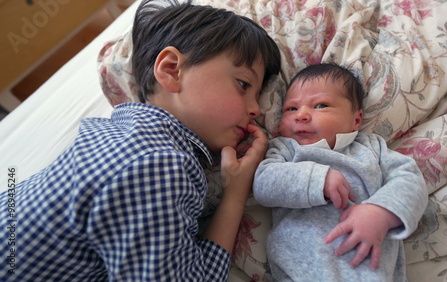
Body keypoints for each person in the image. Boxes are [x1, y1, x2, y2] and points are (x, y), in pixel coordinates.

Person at [0, 0, 281, 280]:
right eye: (243, 84)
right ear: (171, 70)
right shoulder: (159, 164)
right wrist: (235, 194)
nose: (255, 109)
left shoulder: (111, 133)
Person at [253, 63, 427, 281]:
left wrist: (381, 212)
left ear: (356, 120)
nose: (302, 115)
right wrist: (316, 178)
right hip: (301, 269)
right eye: (291, 109)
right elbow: (263, 185)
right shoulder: (286, 149)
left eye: (321, 105)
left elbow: (410, 179)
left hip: (367, 270)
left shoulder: (371, 148)